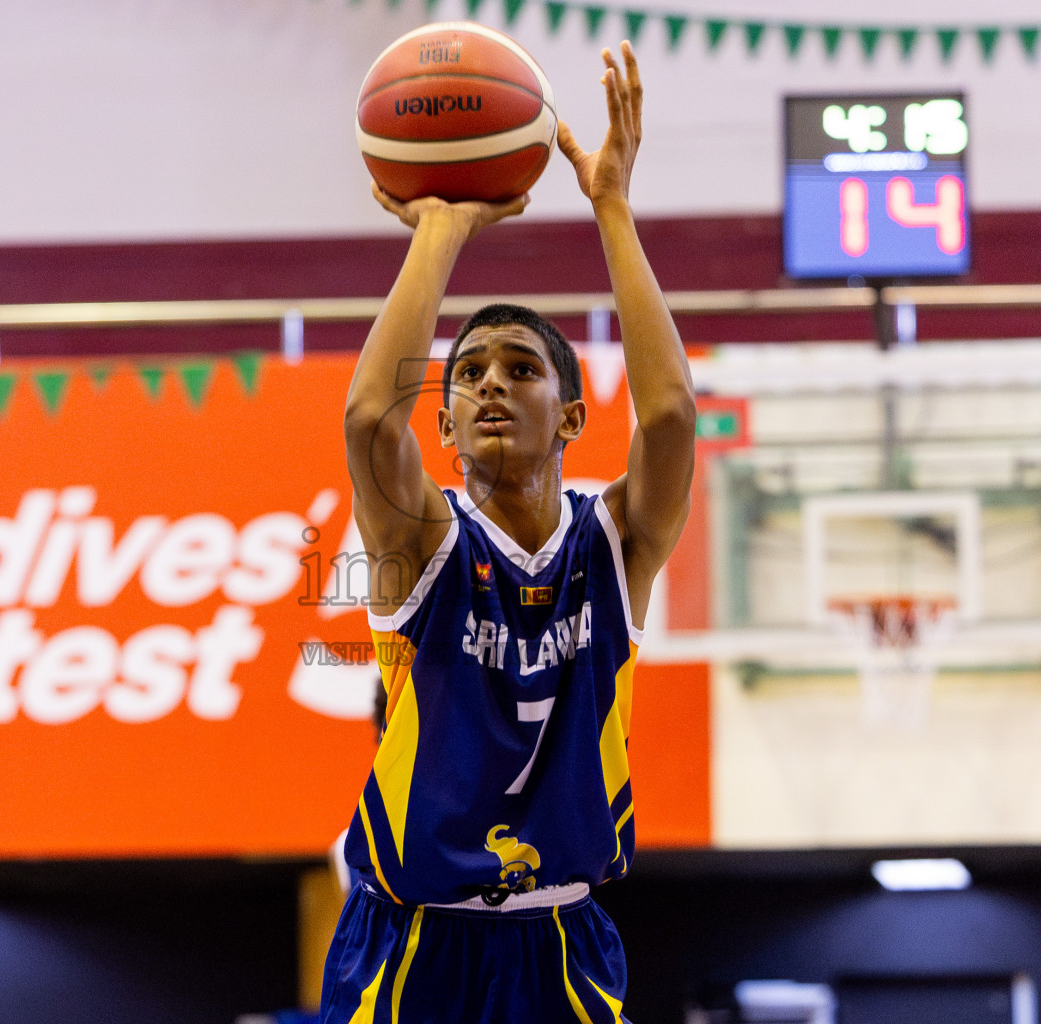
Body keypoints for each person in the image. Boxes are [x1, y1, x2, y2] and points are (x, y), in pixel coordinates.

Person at [322, 41, 694, 1022]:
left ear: (572, 417)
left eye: (521, 368)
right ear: (443, 427)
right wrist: (441, 227)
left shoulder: (615, 543)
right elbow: (368, 419)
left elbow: (669, 422)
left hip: (561, 940)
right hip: (414, 942)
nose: (491, 381)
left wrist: (610, 204)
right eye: (471, 372)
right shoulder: (426, 548)